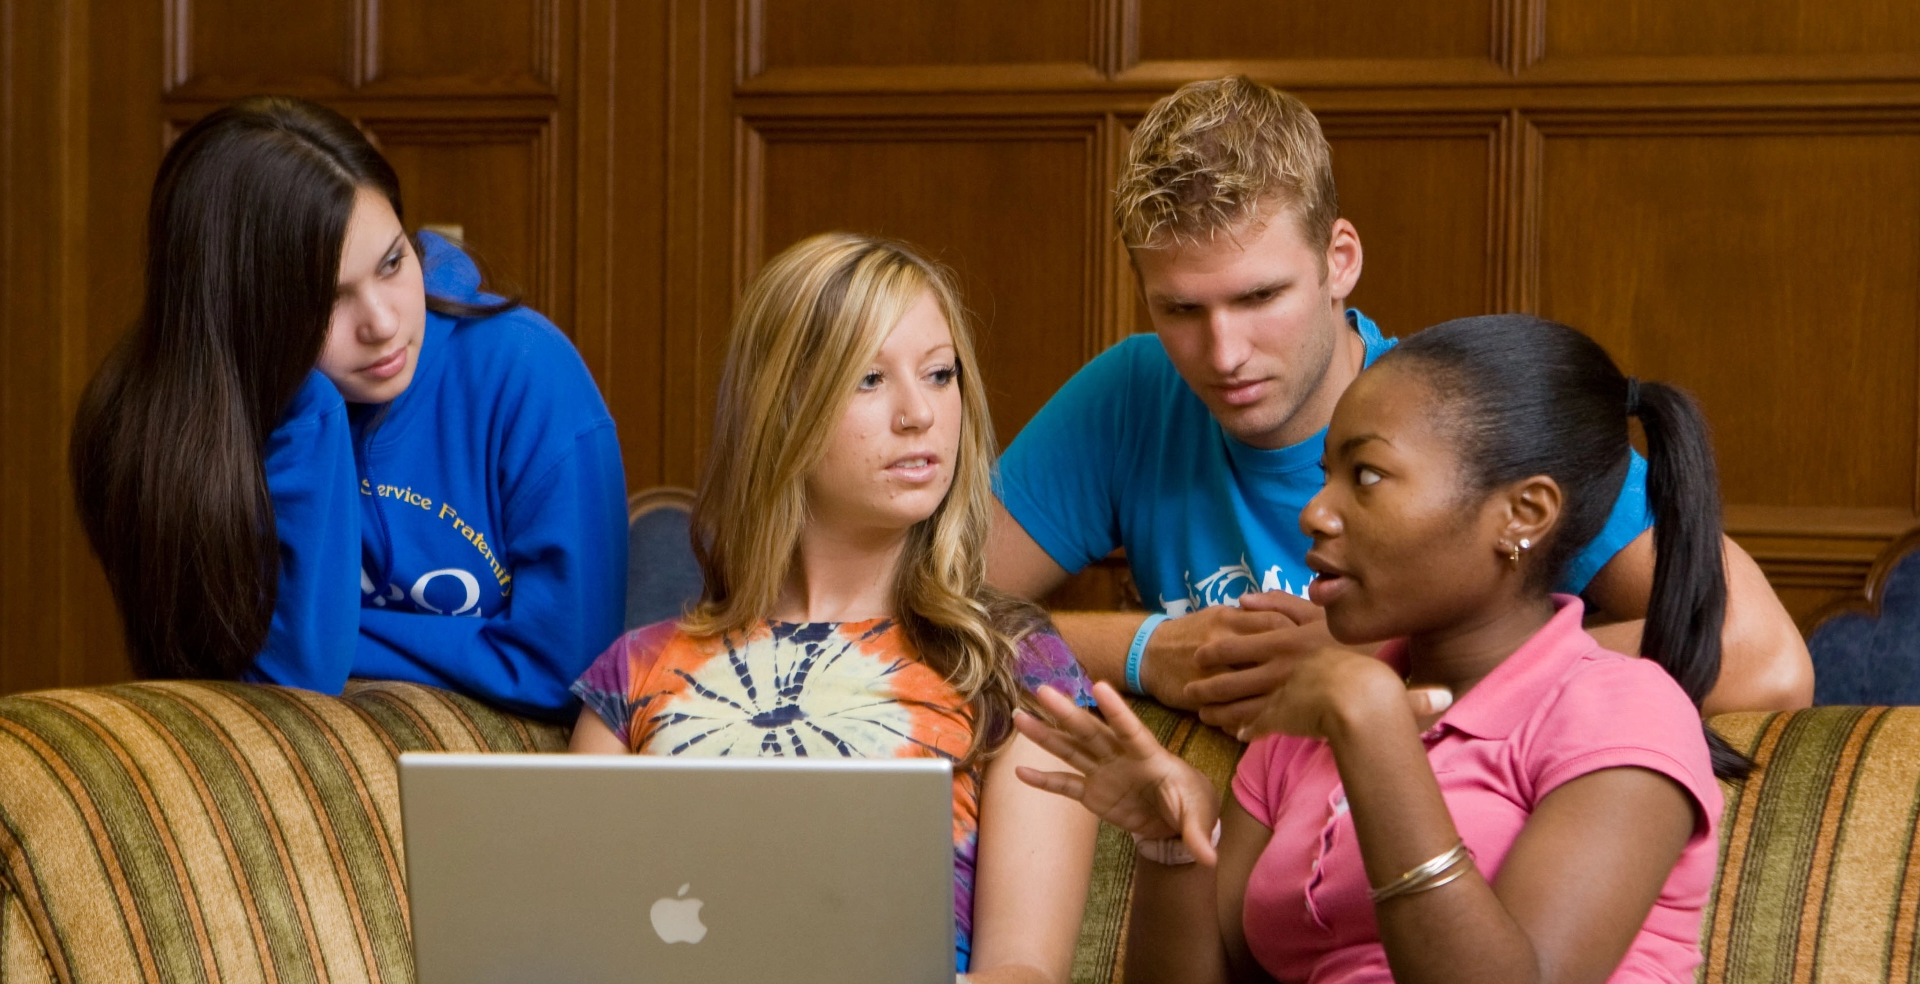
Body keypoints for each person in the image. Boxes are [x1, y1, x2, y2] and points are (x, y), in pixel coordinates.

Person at [986, 76, 1812, 725]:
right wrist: (1148, 651)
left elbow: (1763, 659)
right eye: (1181, 310)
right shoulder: (1132, 392)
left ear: (1339, 260)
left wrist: (1389, 661)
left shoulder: (1470, 412)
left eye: (1260, 297)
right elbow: (905, 618)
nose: (1224, 353)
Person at [1016, 314, 1739, 983]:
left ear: (1523, 514)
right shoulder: (1310, 715)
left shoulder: (1624, 710)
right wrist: (1174, 842)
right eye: (1324, 474)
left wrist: (1375, 729)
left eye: (1366, 476)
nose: (1315, 511)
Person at [568, 232, 1098, 980]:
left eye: (940, 375)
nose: (919, 414)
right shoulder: (635, 675)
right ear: (781, 411)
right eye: (869, 380)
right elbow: (574, 945)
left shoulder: (1017, 669)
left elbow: (1025, 972)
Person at [69, 96, 627, 718]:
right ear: (241, 318)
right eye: (326, 300)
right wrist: (310, 414)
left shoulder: (524, 373)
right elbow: (292, 685)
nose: (383, 324)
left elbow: (565, 675)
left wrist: (351, 634)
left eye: (392, 263)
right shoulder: (166, 430)